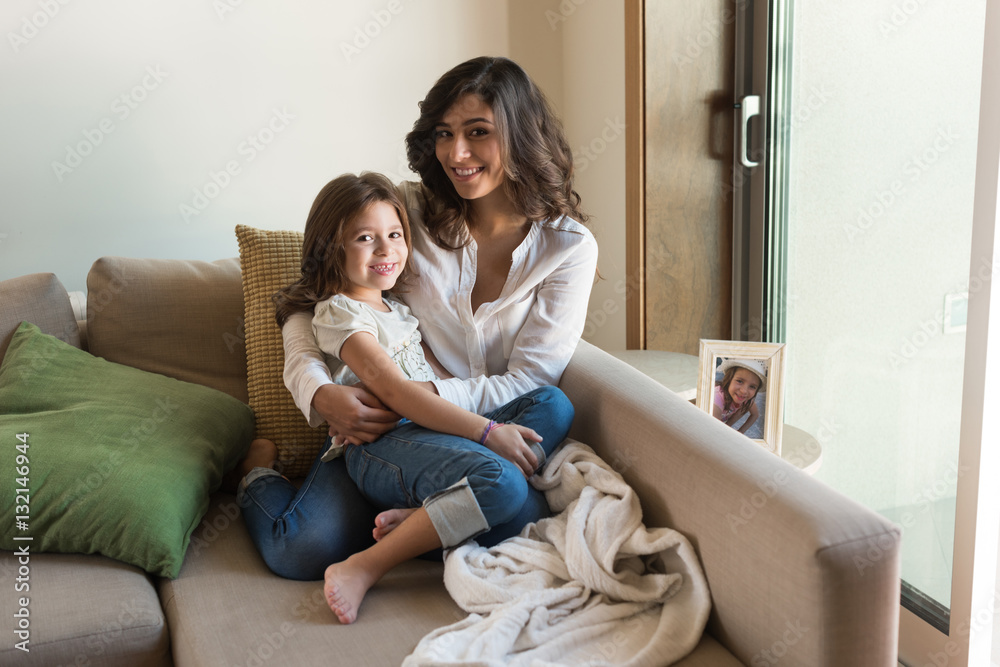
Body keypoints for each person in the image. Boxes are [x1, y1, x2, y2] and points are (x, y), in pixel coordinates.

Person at [234, 56, 599, 622]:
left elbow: (530, 380)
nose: (456, 154)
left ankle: (423, 518)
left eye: (478, 132)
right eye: (444, 135)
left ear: (520, 135)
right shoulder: (410, 211)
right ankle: (262, 474)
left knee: (551, 407)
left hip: (449, 423)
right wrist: (318, 392)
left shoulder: (568, 248)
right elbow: (321, 299)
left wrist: (433, 403)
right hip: (380, 427)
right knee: (298, 548)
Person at [713, 358, 766, 434]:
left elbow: (755, 414)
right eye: (739, 381)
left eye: (752, 387)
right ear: (729, 379)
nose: (744, 391)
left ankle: (727, 426)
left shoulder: (746, 399)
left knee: (744, 405)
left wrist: (740, 432)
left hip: (722, 421)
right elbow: (714, 433)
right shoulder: (716, 399)